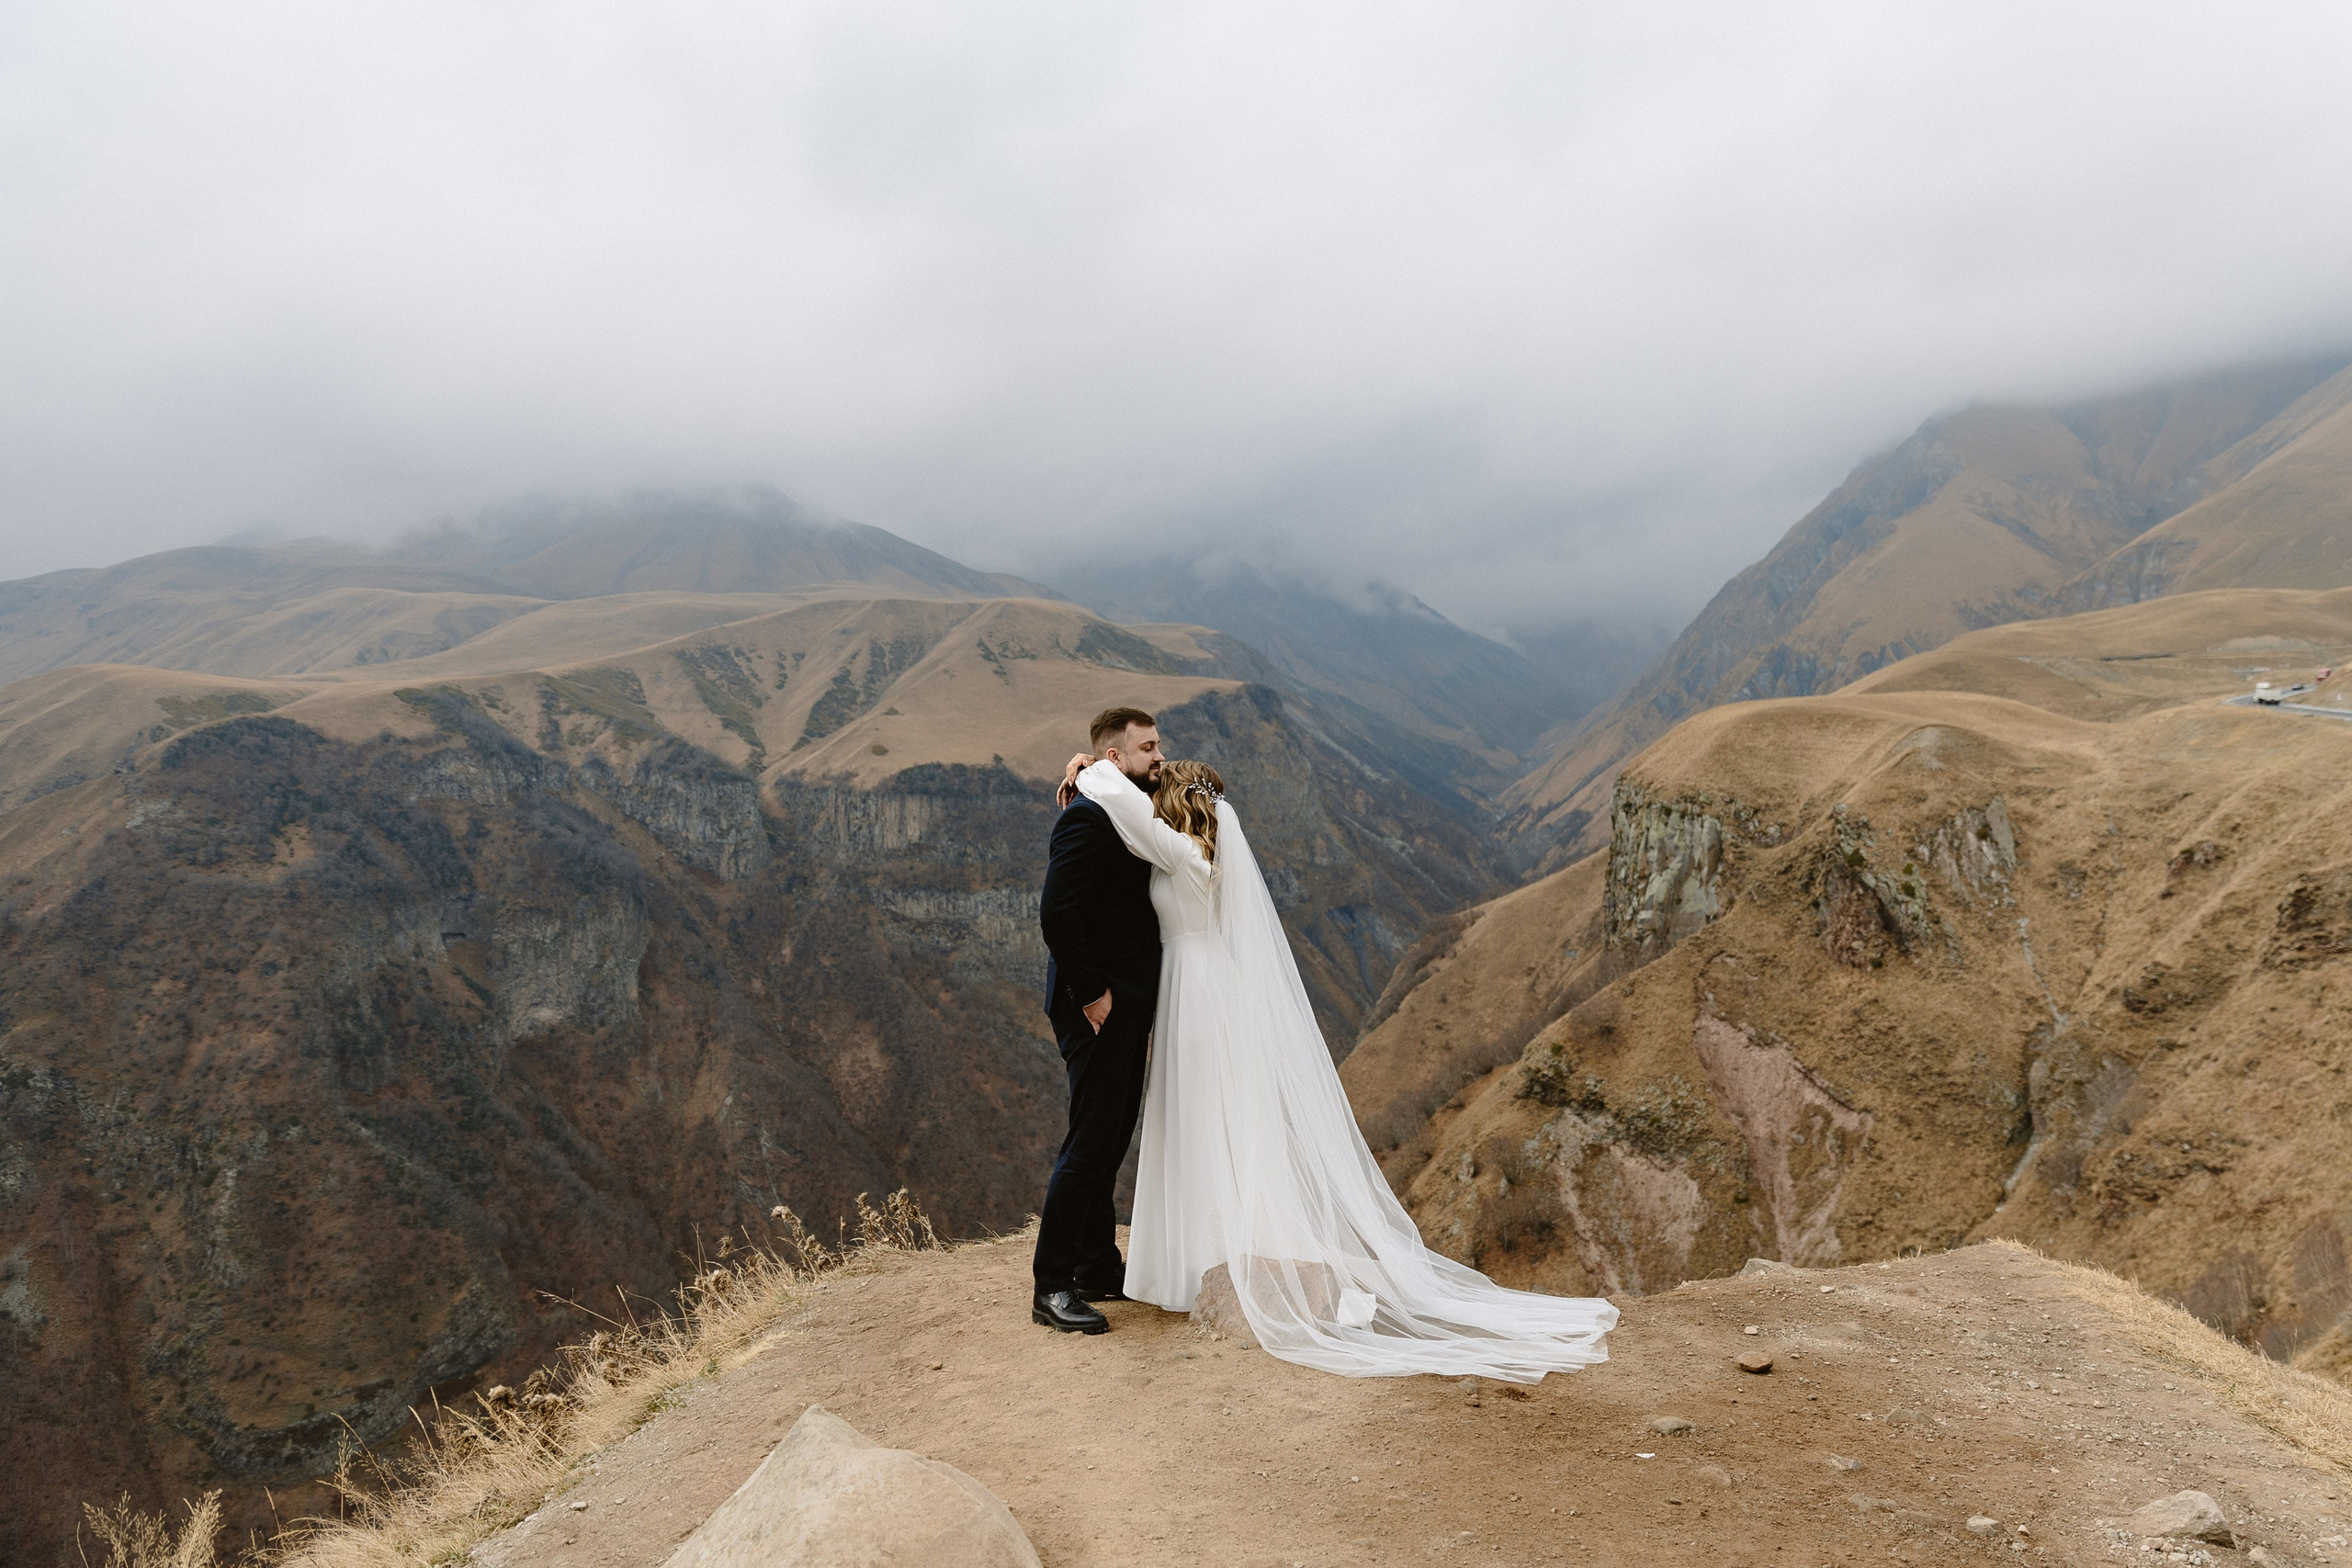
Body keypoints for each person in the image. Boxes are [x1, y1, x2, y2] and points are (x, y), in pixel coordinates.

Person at [1050, 746, 1619, 1381]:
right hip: (1194, 990)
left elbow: (1131, 811)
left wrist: (1090, 771)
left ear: (1178, 806)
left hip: (1197, 997)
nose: (1153, 793)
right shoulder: (1192, 850)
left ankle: (1198, 1264)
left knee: (1202, 1118)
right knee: (1202, 1119)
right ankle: (1198, 1258)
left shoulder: (1179, 852)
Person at [1030, 706, 1165, 1334]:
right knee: (1090, 1141)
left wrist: (1085, 765)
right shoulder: (1087, 814)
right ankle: (1052, 1285)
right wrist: (1091, 995)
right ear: (1118, 756)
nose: (1159, 757)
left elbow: (1185, 783)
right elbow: (1057, 912)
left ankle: (1095, 1265)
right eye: (1148, 747)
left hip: (1127, 1002)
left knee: (1110, 1137)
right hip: (1096, 1006)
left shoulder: (1127, 799)